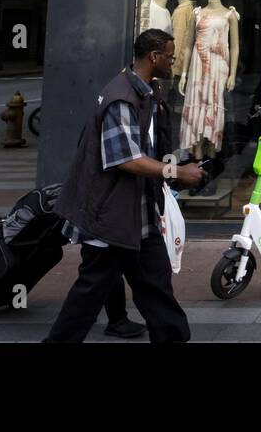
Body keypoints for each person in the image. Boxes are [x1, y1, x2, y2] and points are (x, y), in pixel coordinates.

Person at [45, 29, 205, 343]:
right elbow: (125, 159)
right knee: (90, 290)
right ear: (154, 57)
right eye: (170, 57)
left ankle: (172, 337)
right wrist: (176, 172)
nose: (174, 62)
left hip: (136, 213)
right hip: (110, 215)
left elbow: (146, 149)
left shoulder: (146, 91)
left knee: (155, 284)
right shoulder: (121, 97)